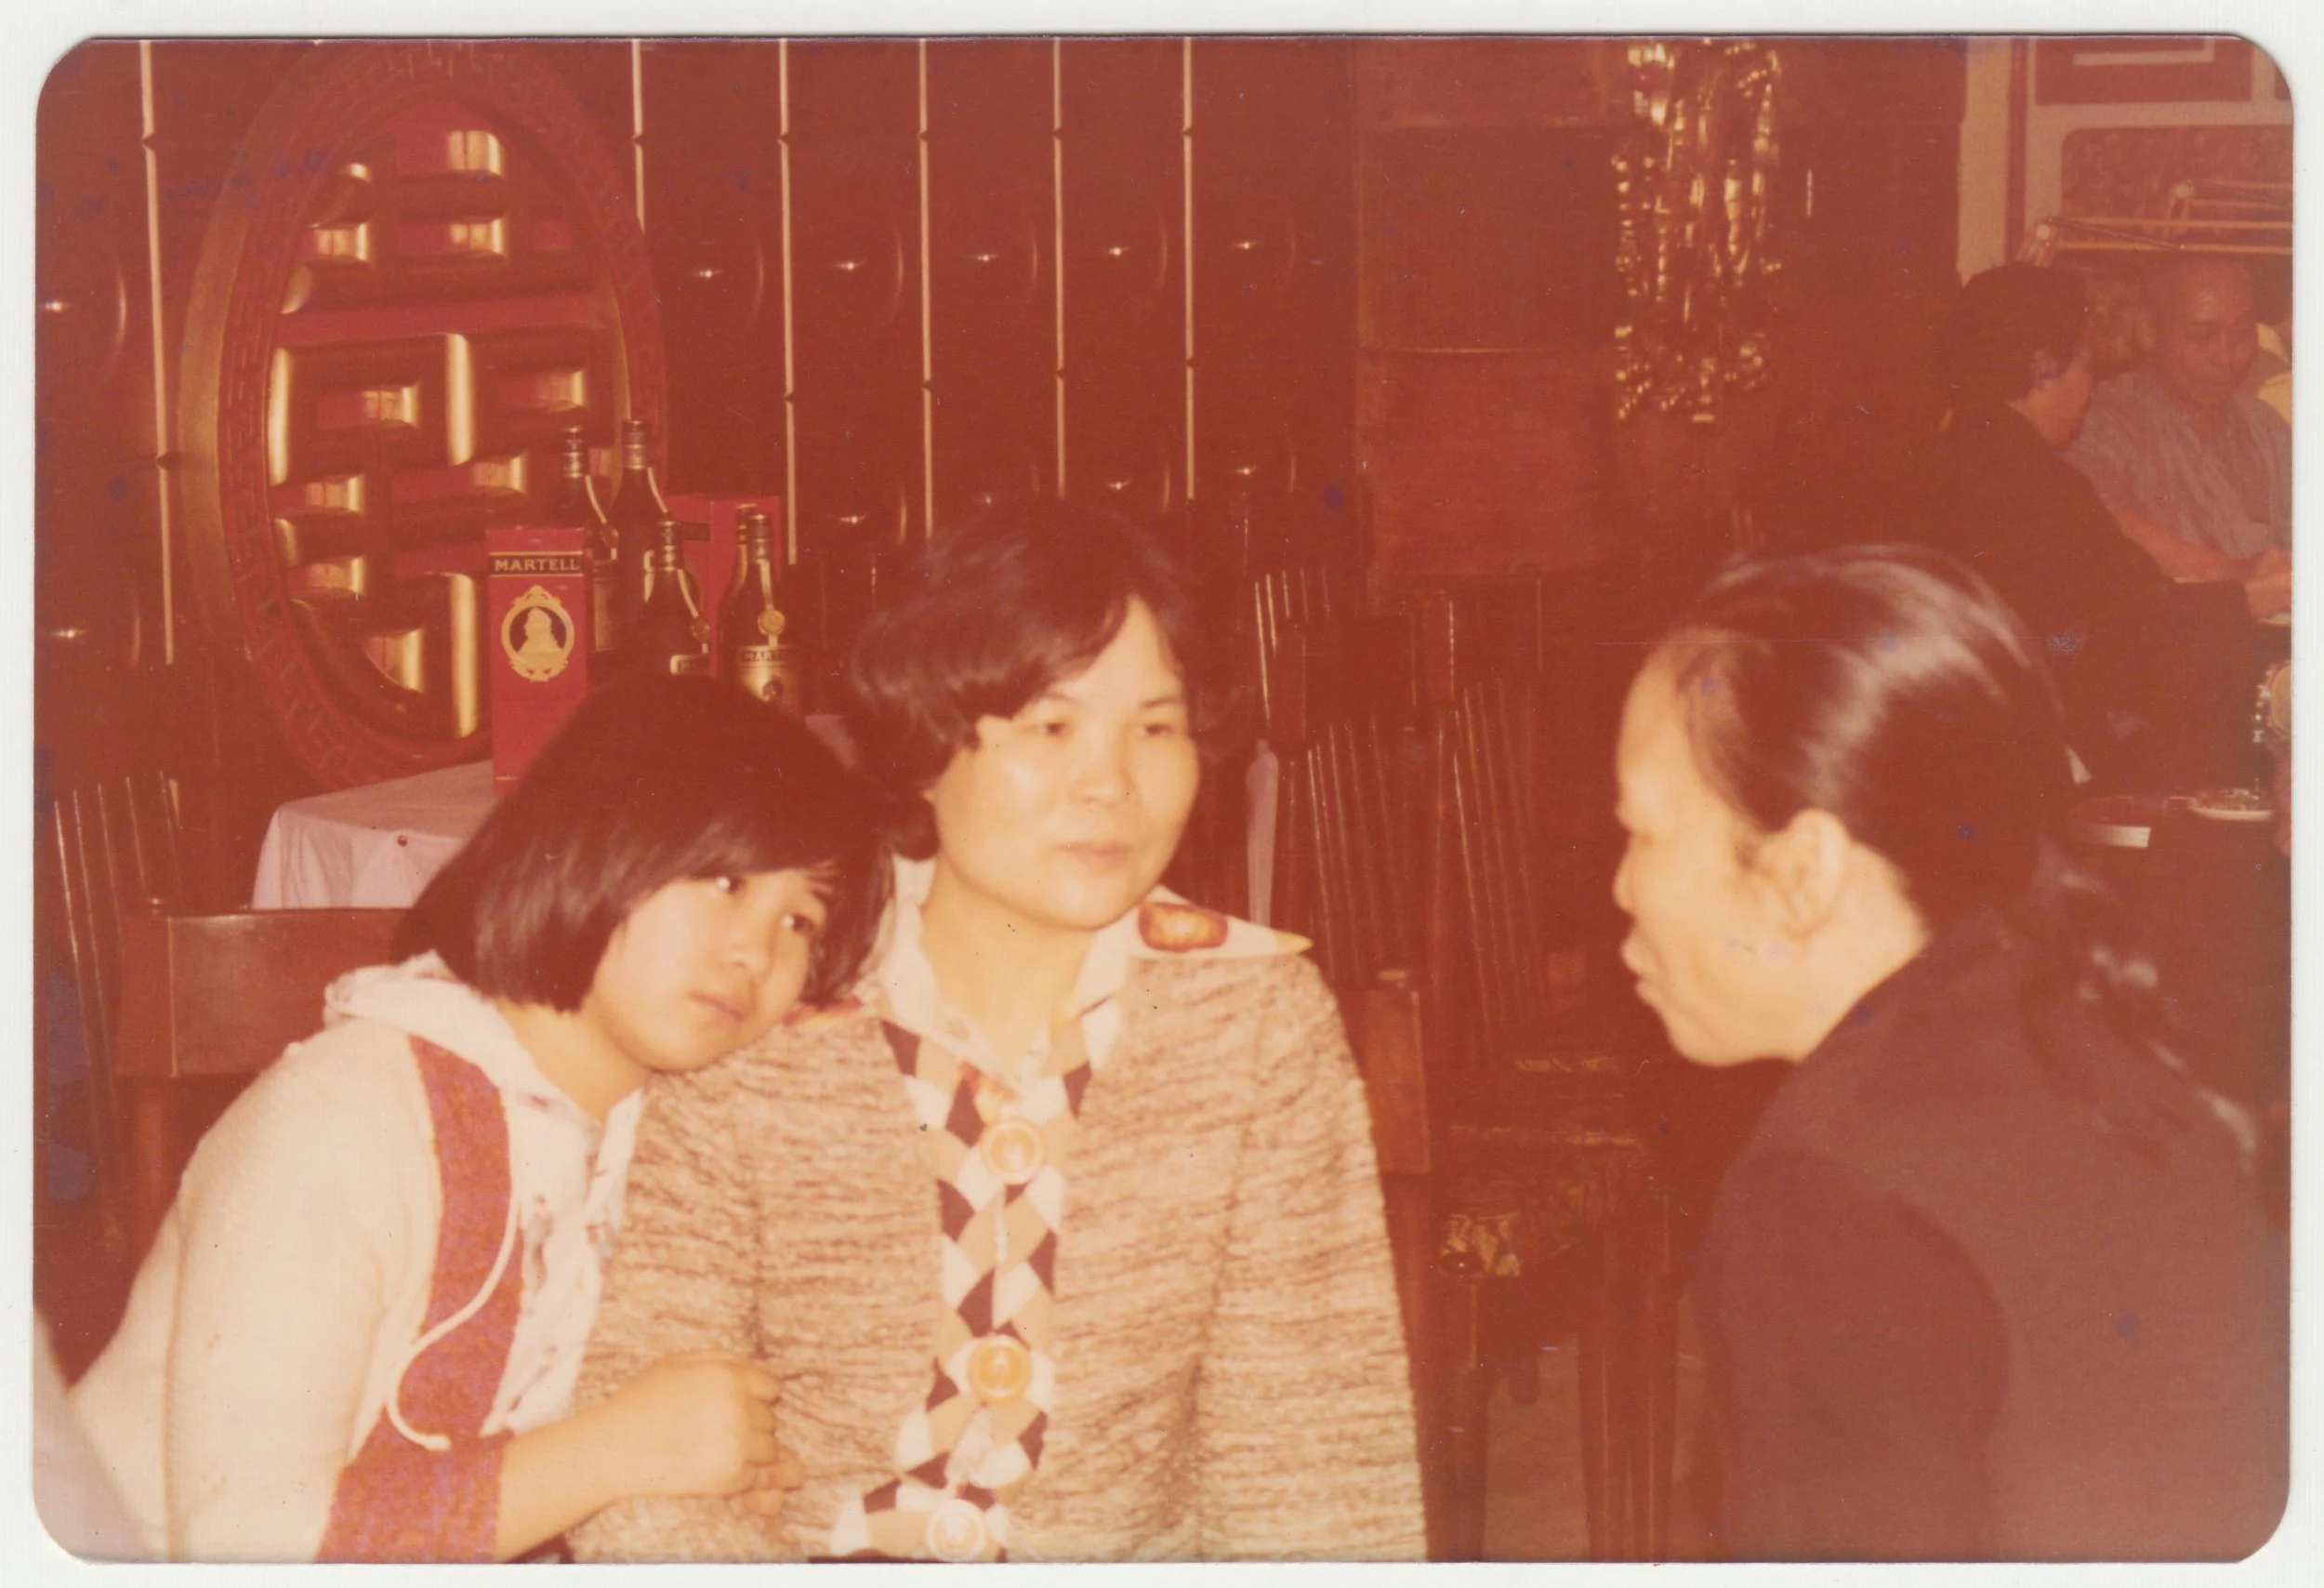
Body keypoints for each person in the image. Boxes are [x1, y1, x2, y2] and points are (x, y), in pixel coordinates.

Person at [569, 497, 1423, 1563]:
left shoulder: (1251, 1016)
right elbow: (640, 1449)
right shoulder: (772, 997)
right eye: (1050, 726)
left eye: (1155, 728)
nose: (1110, 781)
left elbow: (1308, 1454)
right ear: (927, 743)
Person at [67, 675, 889, 1562]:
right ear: (592, 837)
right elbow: (242, 1545)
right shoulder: (346, 1122)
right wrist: (617, 1449)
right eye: (725, 880)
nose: (757, 952)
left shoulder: (658, 1123)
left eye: (801, 919)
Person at [1611, 545, 2286, 1560]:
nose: (1620, 887)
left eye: (1644, 835)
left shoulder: (1825, 1196)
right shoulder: (2091, 1031)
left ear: (1802, 871)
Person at [1907, 262, 2251, 790]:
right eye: (2086, 365)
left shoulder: (1938, 457)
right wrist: (2247, 599)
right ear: (2043, 366)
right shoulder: (2039, 485)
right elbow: (2134, 627)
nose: (2091, 387)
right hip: (2025, 762)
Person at [2064, 254, 2291, 599]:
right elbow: (2100, 518)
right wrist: (2236, 573)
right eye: (2202, 336)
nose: (2226, 356)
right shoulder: (2101, 418)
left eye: (2243, 333)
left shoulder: (2267, 428)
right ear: (2149, 332)